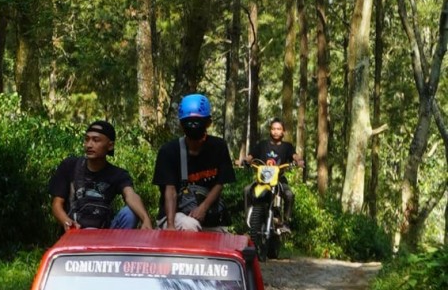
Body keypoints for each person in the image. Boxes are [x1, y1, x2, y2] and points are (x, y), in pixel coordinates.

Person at [152, 93, 236, 231]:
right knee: (189, 226)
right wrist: (171, 226)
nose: (193, 126)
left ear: (208, 122)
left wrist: (203, 208)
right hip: (175, 215)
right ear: (181, 124)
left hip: (207, 215)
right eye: (188, 122)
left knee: (226, 242)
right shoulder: (169, 151)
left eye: (197, 122)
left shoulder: (219, 147)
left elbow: (219, 183)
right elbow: (170, 190)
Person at [49, 120, 152, 231]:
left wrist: (146, 219)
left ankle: (117, 247)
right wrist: (67, 222)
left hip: (105, 234)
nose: (89, 145)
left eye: (96, 140)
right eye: (87, 139)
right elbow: (56, 204)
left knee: (130, 212)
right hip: (76, 231)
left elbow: (130, 195)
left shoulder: (118, 174)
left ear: (110, 145)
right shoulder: (70, 165)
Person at [244, 118, 304, 232]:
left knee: (289, 195)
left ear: (283, 132)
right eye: (274, 129)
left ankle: (285, 223)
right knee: (247, 190)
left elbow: (295, 156)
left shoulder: (287, 146)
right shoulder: (262, 145)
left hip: (279, 179)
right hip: (262, 180)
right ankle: (248, 221)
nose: (276, 131)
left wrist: (299, 161)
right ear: (270, 130)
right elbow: (251, 156)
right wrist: (246, 160)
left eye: (279, 129)